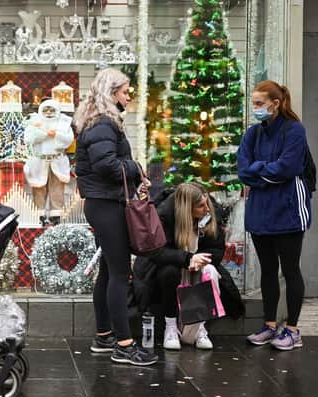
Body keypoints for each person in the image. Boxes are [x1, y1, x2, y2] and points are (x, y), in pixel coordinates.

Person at [74, 68, 157, 366]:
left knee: (109, 272)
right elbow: (107, 165)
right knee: (120, 274)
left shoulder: (97, 121)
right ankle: (124, 345)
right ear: (111, 92)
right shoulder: (104, 124)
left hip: (102, 203)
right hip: (107, 205)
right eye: (125, 91)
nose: (128, 96)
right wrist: (136, 168)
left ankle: (104, 336)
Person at [237, 80, 311, 351]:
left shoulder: (294, 131)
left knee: (290, 269)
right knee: (267, 270)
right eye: (253, 103)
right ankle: (270, 325)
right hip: (260, 212)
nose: (255, 108)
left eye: (259, 104)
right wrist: (264, 170)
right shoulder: (252, 134)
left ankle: (292, 329)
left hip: (289, 210)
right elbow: (243, 170)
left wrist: (258, 172)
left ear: (276, 103)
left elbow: (287, 168)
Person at [133, 183, 241, 350]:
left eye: (206, 203)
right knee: (169, 273)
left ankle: (200, 329)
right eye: (200, 206)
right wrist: (187, 259)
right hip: (169, 266)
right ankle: (171, 326)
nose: (206, 208)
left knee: (210, 272)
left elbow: (217, 249)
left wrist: (201, 260)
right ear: (187, 208)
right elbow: (157, 252)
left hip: (199, 264)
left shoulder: (210, 213)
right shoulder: (165, 215)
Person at [24, 99, 74, 226]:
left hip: (57, 160)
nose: (49, 112)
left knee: (57, 189)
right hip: (39, 160)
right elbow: (28, 138)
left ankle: (55, 215)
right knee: (39, 188)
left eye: (52, 110)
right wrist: (45, 134)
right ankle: (39, 215)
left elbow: (68, 140)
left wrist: (56, 135)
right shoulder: (34, 121)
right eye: (46, 110)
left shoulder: (64, 123)